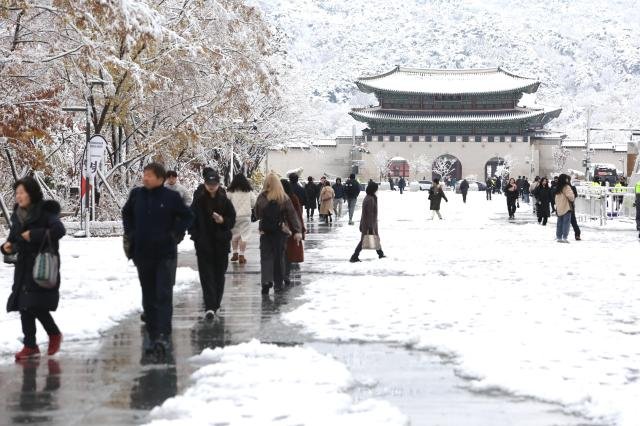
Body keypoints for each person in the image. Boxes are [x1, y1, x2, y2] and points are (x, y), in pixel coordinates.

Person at [122, 163, 194, 356]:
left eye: (150, 176)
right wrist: (131, 233)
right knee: (148, 295)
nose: (145, 178)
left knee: (163, 293)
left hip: (165, 254)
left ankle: (163, 335)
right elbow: (126, 213)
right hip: (143, 253)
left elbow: (187, 216)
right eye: (144, 174)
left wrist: (175, 234)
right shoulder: (137, 195)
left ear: (161, 179)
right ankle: (152, 335)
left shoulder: (171, 197)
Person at [1, 177, 66, 361]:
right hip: (23, 267)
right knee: (24, 306)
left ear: (32, 193)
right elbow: (14, 238)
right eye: (17, 193)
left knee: (35, 305)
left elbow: (59, 230)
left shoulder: (45, 212)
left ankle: (53, 334)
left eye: (22, 192)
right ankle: (30, 345)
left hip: (41, 265)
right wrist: (7, 246)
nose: (19, 196)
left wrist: (34, 235)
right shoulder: (18, 214)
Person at [189, 172, 236, 320]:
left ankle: (216, 304)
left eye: (214, 184)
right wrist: (196, 236)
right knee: (206, 275)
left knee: (218, 275)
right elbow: (191, 220)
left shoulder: (224, 201)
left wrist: (222, 220)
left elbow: (232, 220)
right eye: (209, 185)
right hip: (203, 244)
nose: (211, 187)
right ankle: (209, 306)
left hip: (221, 243)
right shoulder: (198, 202)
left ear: (218, 184)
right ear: (205, 184)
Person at [255, 173, 302, 295]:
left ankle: (266, 280)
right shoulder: (283, 197)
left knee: (265, 257)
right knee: (279, 257)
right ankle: (278, 283)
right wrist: (297, 230)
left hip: (265, 231)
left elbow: (257, 214)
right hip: (280, 231)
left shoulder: (261, 197)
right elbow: (292, 214)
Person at [349, 182, 385, 262]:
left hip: (369, 223)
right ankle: (354, 256)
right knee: (364, 240)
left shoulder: (370, 197)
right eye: (376, 189)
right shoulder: (370, 199)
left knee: (373, 239)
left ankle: (380, 254)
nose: (377, 190)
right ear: (373, 189)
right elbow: (370, 214)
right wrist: (371, 227)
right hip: (369, 224)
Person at [227, 174, 256, 264]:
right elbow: (254, 203)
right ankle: (241, 255)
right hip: (245, 217)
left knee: (234, 236)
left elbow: (225, 202)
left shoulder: (230, 191)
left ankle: (235, 253)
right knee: (244, 236)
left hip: (233, 216)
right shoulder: (249, 191)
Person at [281, 179, 305, 286]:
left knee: (284, 250)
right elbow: (298, 214)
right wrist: (300, 228)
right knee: (289, 250)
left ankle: (284, 272)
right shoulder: (293, 197)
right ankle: (285, 272)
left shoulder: (282, 198)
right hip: (292, 227)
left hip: (286, 226)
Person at [554, 174, 576, 243]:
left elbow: (556, 198)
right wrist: (573, 198)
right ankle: (565, 237)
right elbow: (571, 197)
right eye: (566, 178)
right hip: (566, 207)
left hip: (559, 207)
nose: (567, 180)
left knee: (559, 223)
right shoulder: (566, 187)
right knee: (566, 223)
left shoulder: (558, 187)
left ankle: (559, 237)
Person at [567, 175, 581, 240]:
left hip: (570, 206)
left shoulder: (572, 187)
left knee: (573, 221)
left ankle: (577, 234)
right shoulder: (561, 188)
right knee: (564, 221)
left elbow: (575, 196)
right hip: (565, 206)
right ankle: (561, 235)